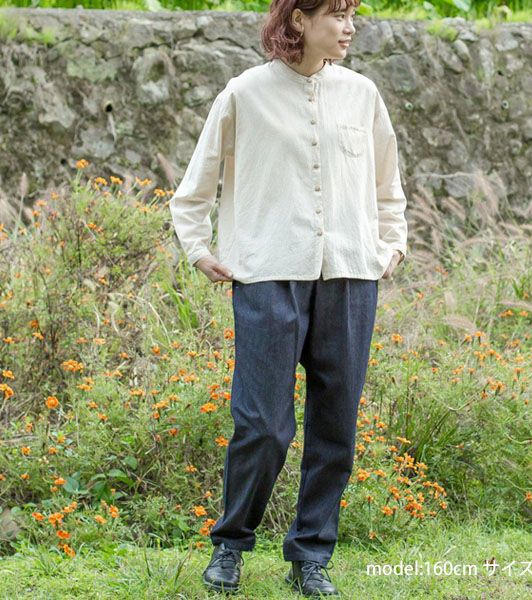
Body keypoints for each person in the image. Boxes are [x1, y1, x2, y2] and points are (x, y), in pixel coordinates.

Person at [168, 0, 408, 595]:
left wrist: (391, 247)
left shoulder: (362, 95)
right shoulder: (244, 94)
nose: (350, 27)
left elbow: (388, 187)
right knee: (262, 425)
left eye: (353, 15)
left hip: (350, 276)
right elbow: (194, 189)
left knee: (337, 426)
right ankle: (230, 544)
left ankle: (310, 555)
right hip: (267, 274)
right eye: (338, 14)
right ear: (299, 19)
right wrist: (198, 249)